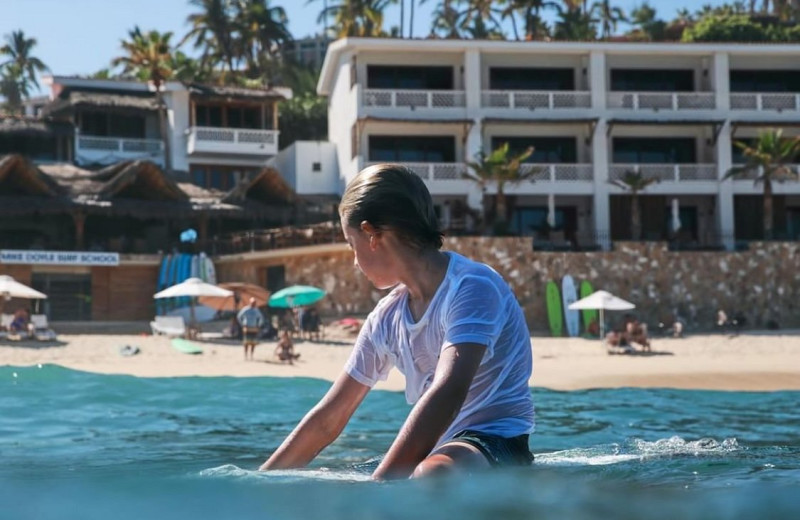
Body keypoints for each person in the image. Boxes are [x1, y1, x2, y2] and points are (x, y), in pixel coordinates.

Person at [259, 163, 534, 480]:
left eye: (352, 244)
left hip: (496, 442)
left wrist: (380, 489)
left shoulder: (472, 286)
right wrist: (262, 482)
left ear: (371, 235)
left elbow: (449, 391)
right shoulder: (386, 317)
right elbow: (329, 417)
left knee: (431, 476)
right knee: (328, 482)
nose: (354, 260)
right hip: (439, 446)